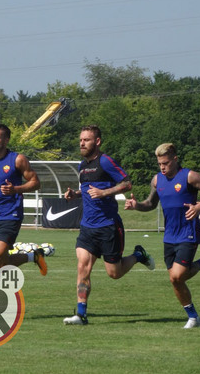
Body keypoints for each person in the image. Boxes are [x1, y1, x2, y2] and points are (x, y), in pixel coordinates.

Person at [63, 125, 155, 326]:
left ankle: (138, 255)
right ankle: (81, 314)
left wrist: (104, 193)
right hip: (87, 227)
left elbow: (127, 183)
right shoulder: (82, 166)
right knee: (82, 266)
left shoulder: (105, 161)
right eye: (80, 140)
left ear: (97, 142)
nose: (82, 143)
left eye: (86, 140)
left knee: (114, 273)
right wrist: (74, 195)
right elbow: (87, 191)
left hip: (108, 226)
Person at [124, 143, 200, 329]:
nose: (162, 167)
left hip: (188, 232)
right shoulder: (157, 180)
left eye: (165, 163)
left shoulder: (190, 176)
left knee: (177, 276)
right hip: (169, 236)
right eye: (159, 164)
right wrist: (137, 206)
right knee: (175, 279)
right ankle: (193, 317)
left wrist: (199, 207)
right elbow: (150, 204)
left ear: (175, 159)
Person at [0, 124, 47, 319]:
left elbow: (35, 182)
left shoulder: (17, 159)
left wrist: (16, 189)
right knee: (2, 263)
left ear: (6, 140)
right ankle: (33, 257)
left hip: (11, 215)